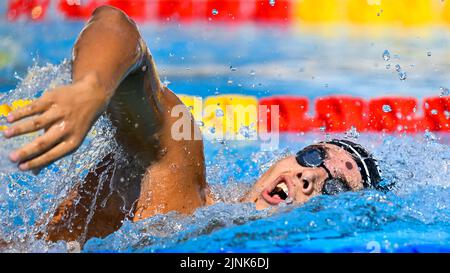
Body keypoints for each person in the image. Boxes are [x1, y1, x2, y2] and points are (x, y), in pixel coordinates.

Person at [2, 6, 384, 245]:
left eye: (334, 187)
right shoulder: (180, 171)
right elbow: (116, 25)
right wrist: (91, 89)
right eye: (313, 156)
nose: (307, 177)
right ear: (286, 157)